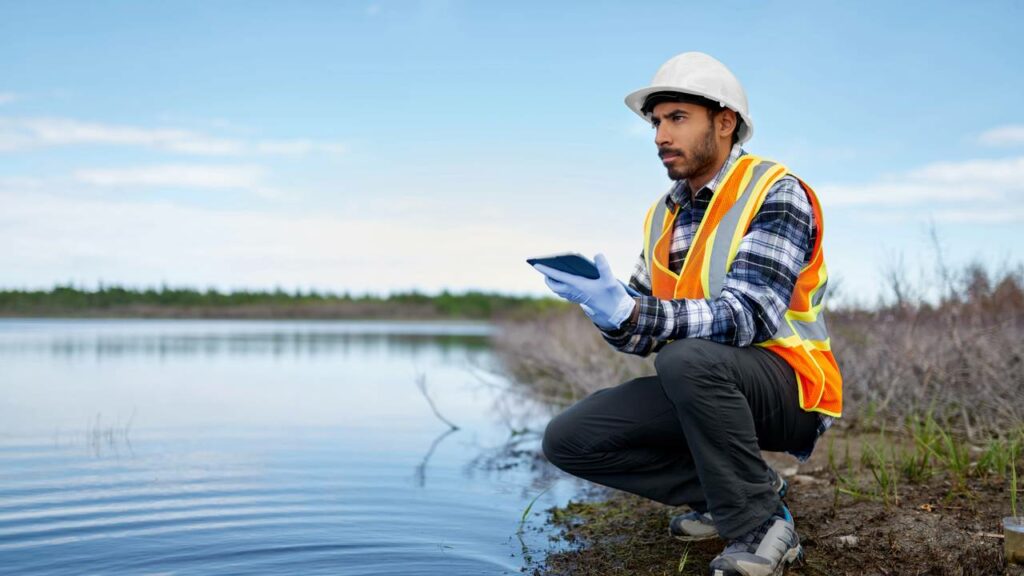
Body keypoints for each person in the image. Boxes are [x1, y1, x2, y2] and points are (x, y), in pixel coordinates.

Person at [531, 52, 843, 576]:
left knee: (686, 359)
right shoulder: (663, 215)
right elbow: (640, 333)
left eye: (677, 118)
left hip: (790, 388)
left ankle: (762, 526)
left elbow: (750, 316)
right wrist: (607, 311)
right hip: (704, 380)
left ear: (724, 123)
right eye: (656, 122)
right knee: (569, 439)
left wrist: (636, 312)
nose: (659, 136)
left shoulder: (776, 192)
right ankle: (735, 495)